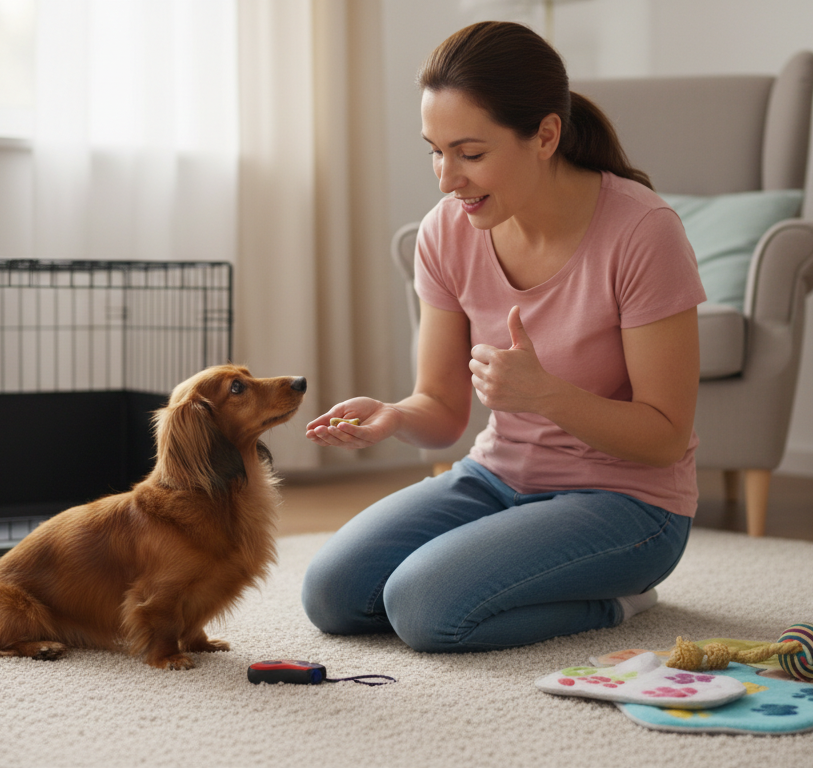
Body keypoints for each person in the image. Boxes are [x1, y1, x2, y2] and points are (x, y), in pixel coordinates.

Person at [301, 20, 706, 653]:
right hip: (497, 478)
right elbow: (440, 410)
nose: (445, 178)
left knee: (422, 608)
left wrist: (547, 397)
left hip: (630, 503)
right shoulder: (446, 231)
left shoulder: (642, 232)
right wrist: (393, 416)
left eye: (470, 152)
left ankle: (615, 601)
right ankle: (514, 571)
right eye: (434, 150)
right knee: (331, 594)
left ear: (545, 135)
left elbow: (666, 437)